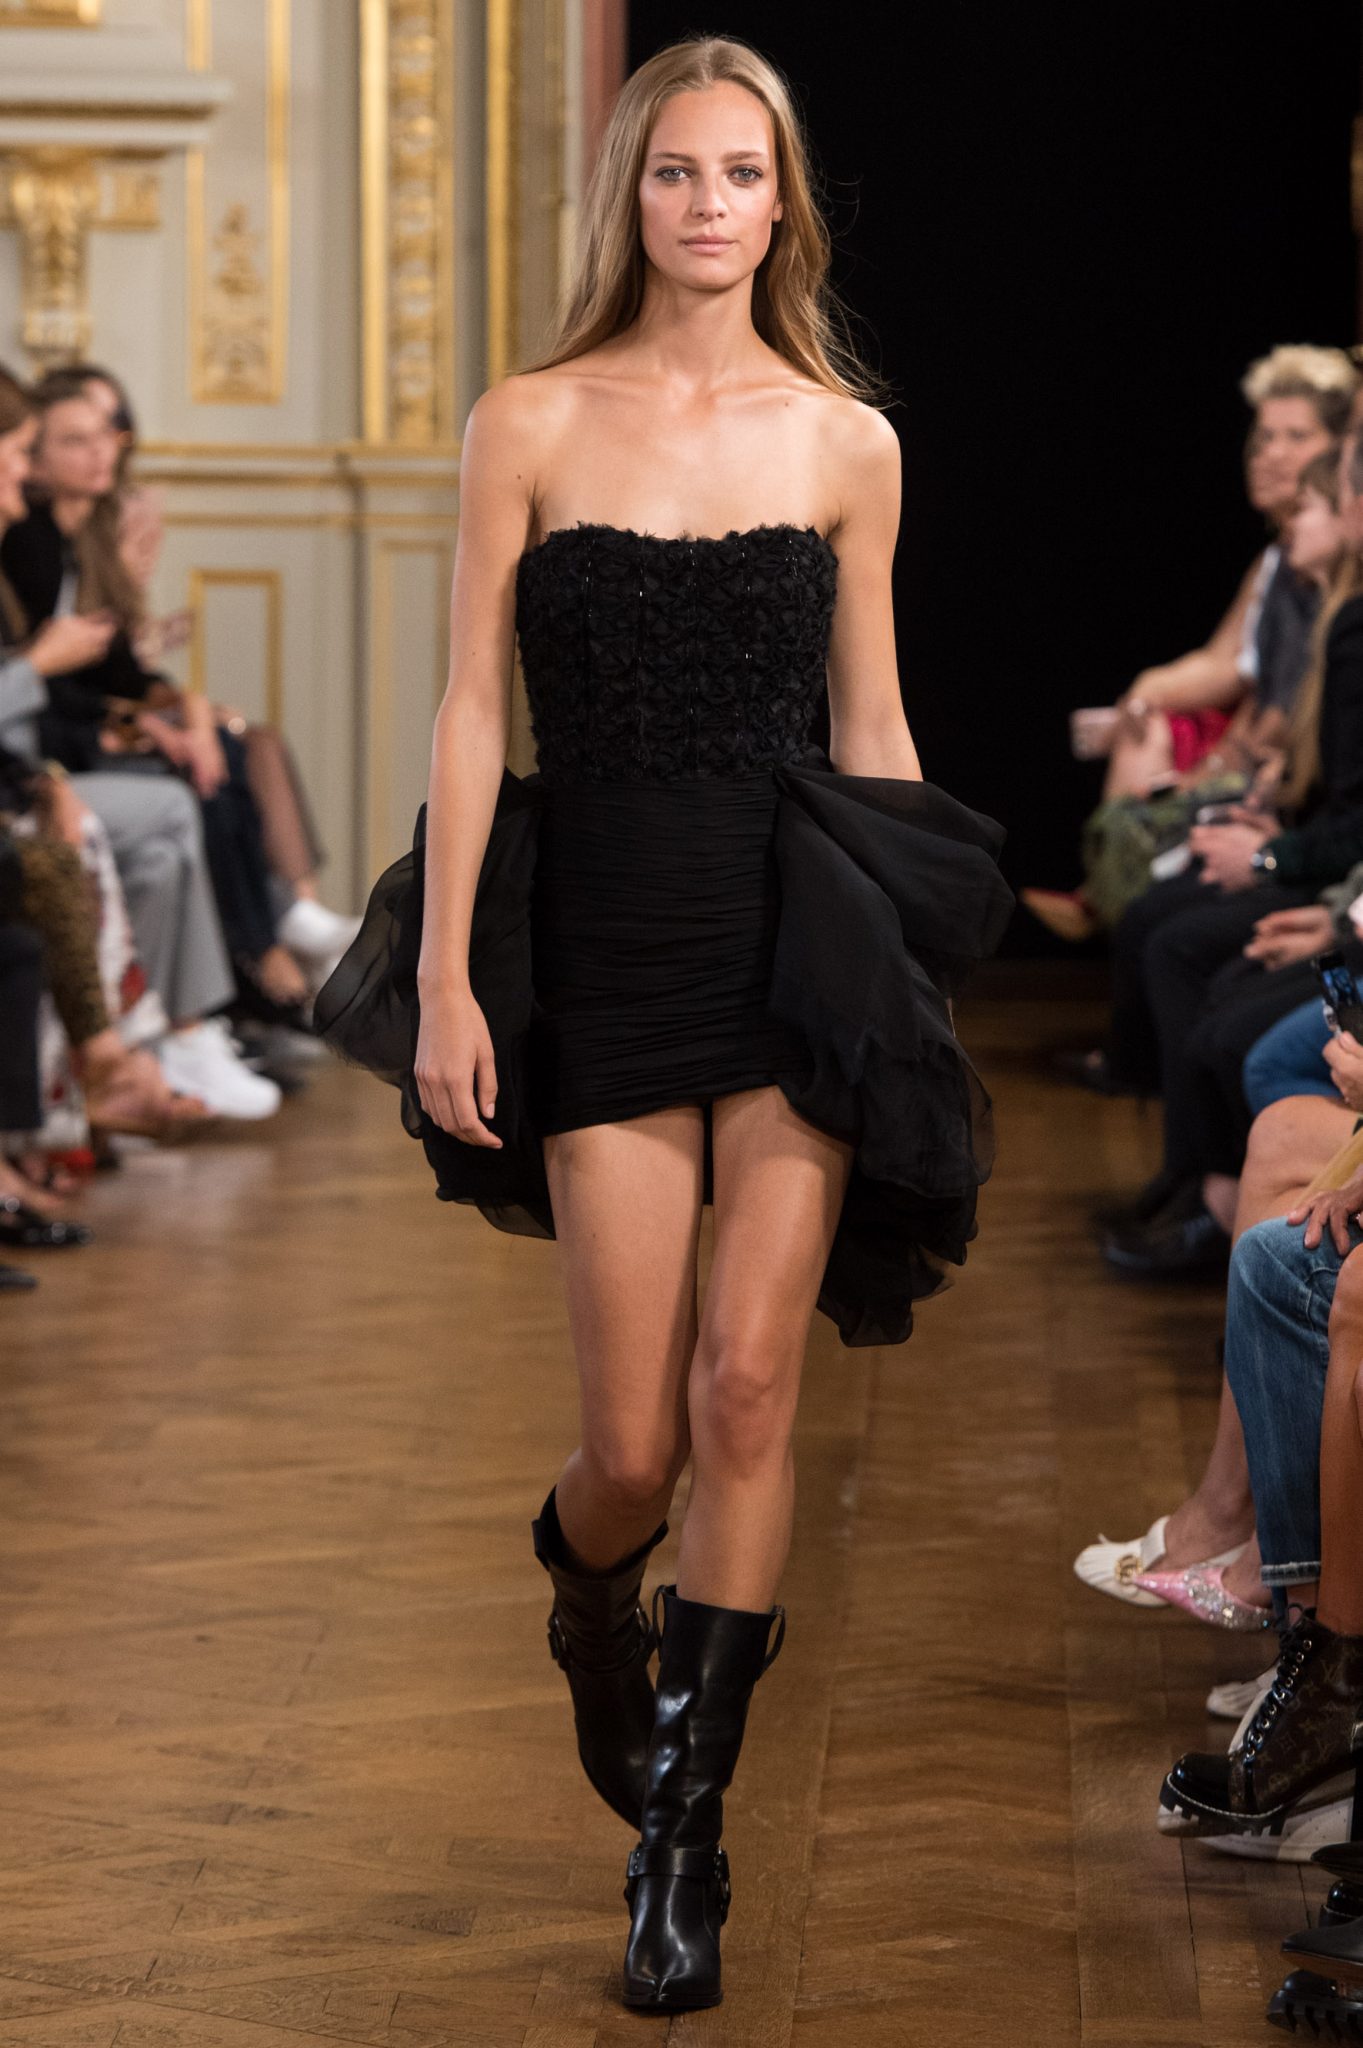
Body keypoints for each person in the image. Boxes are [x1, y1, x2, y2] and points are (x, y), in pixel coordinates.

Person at [327, 34, 1010, 2015]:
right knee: (629, 1442)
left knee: (746, 1388)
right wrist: (446, 973)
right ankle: (584, 1588)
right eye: (674, 172)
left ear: (784, 203)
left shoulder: (845, 443)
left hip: (797, 938)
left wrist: (909, 966)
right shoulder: (526, 419)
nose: (708, 206)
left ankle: (679, 1845)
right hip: (603, 934)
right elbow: (474, 704)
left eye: (740, 173)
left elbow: (870, 723)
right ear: (626, 196)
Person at [0, 365, 280, 1122]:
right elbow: (52, 690)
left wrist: (180, 708)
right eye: (28, 450)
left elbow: (118, 669)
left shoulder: (69, 542)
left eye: (107, 437)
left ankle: (150, 1051)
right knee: (174, 805)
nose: (102, 454)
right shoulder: (27, 545)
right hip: (37, 767)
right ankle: (186, 1028)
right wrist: (55, 721)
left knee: (170, 837)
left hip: (38, 764)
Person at [1023, 345, 1354, 942]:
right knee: (1147, 726)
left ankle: (1119, 907)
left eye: (1296, 436)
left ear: (1343, 451)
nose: (1272, 454)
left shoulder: (1334, 581)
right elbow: (1227, 663)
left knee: (1170, 916)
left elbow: (1290, 715)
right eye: (1264, 437)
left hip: (1296, 788)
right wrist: (1146, 693)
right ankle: (1117, 905)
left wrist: (1225, 768)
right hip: (1273, 773)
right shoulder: (1278, 561)